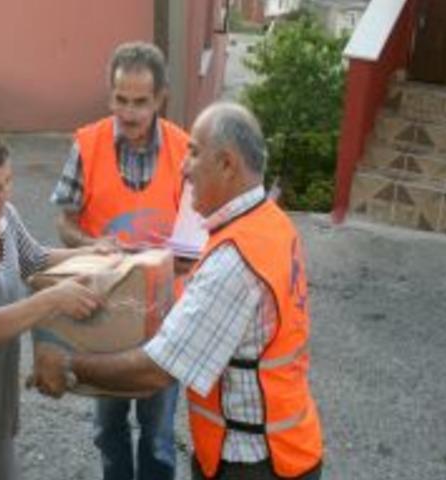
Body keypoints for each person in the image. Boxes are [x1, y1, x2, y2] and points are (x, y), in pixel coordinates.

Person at [35, 102, 325, 480]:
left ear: (226, 164)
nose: (184, 167)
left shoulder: (235, 260)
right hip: (282, 446)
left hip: (253, 463)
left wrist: (69, 366)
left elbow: (158, 371)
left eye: (194, 152)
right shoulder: (271, 224)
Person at [0, 122, 107, 480]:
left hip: (0, 396)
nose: (6, 194)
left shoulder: (3, 217)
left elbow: (36, 258)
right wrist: (54, 299)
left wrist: (92, 251)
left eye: (8, 181)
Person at [49, 41, 188, 480]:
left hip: (165, 318)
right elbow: (64, 223)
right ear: (110, 96)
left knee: (159, 436)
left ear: (160, 98)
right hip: (105, 313)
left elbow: (198, 235)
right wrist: (90, 244)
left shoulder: (186, 152)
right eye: (120, 100)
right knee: (108, 430)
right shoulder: (87, 144)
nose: (128, 113)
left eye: (140, 102)